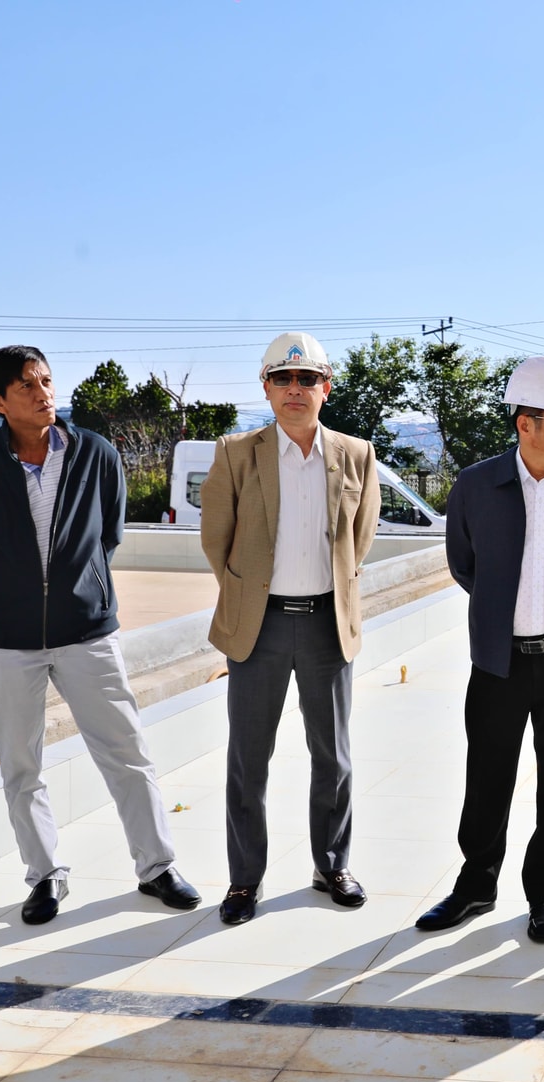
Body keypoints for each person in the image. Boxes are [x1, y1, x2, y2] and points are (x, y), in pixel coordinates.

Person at [0, 345, 199, 925]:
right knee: (19, 764)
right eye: (27, 386)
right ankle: (45, 874)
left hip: (87, 633)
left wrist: (83, 590)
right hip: (6, 640)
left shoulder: (95, 453)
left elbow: (109, 534)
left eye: (47, 381)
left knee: (126, 752)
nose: (44, 393)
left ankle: (157, 866)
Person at [416, 357, 544, 944]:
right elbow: (465, 565)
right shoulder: (476, 486)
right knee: (487, 776)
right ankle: (477, 883)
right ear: (525, 423)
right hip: (498, 663)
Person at [200, 331, 380, 925]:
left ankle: (332, 866)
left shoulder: (356, 454)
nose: (295, 389)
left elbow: (360, 537)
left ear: (326, 387)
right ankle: (244, 880)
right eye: (283, 378)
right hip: (260, 628)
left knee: (334, 758)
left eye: (307, 379)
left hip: (328, 625)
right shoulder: (236, 453)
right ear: (267, 388)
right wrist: (250, 596)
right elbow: (216, 539)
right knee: (248, 761)